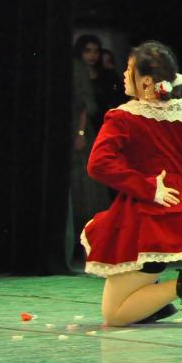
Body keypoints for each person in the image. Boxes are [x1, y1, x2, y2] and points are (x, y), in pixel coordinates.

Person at [81, 40, 182, 327]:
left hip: (145, 222)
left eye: (129, 69)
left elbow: (98, 164)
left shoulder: (125, 117)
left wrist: (147, 187)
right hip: (179, 220)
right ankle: (153, 305)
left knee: (114, 314)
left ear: (145, 81)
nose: (124, 75)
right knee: (121, 296)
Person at [71, 34, 110, 238]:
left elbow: (86, 105)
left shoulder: (103, 75)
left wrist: (81, 132)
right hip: (83, 130)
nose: (92, 55)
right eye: (88, 50)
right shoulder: (77, 70)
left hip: (92, 130)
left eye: (95, 51)